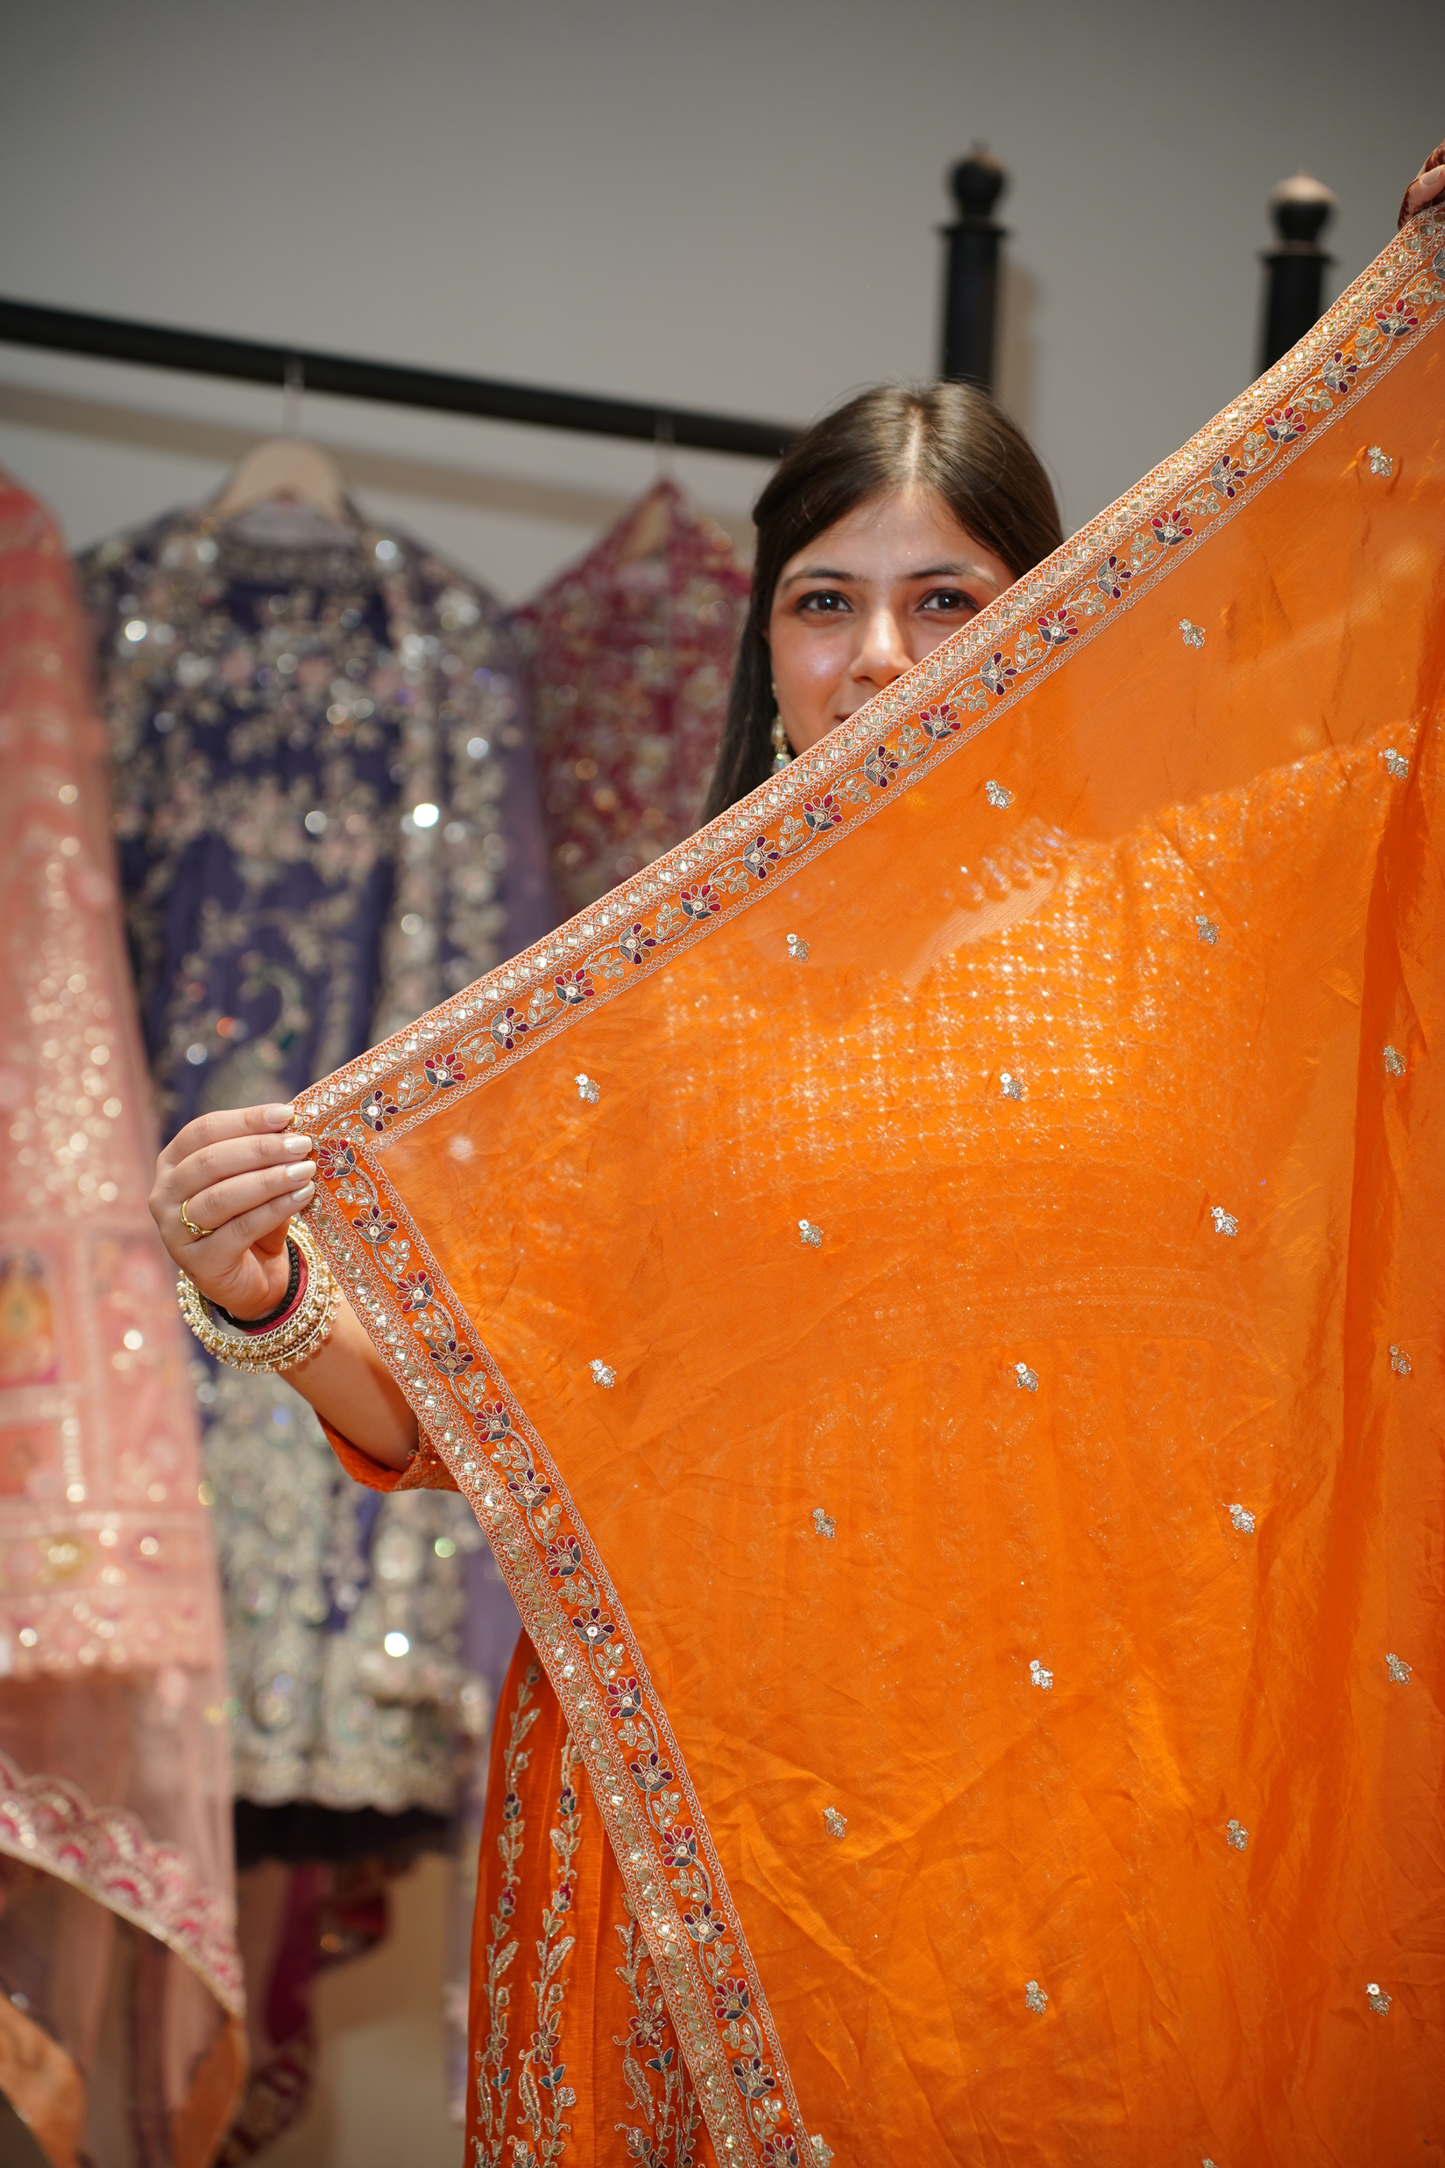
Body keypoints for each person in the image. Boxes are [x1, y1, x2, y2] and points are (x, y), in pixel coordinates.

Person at [150, 150, 1445, 2164]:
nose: (876, 659)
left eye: (950, 601)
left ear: (1052, 634)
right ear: (763, 655)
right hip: (704, 1822)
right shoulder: (640, 1009)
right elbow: (440, 1408)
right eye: (823, 604)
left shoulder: (1189, 926)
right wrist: (268, 1295)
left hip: (1069, 1808)